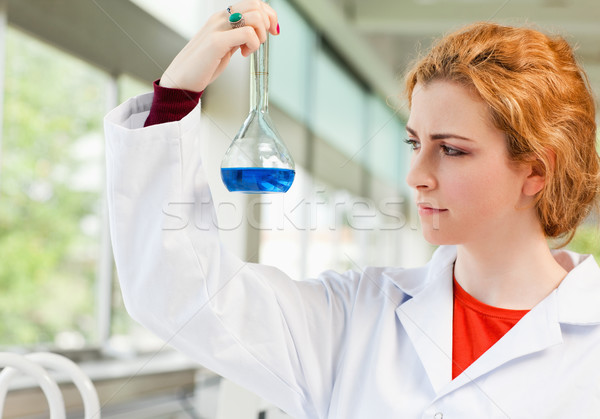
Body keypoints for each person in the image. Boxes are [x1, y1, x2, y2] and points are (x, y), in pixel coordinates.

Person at [104, 0, 600, 417]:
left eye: (451, 149)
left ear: (536, 171)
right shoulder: (353, 318)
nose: (416, 175)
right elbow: (182, 294)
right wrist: (177, 96)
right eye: (414, 144)